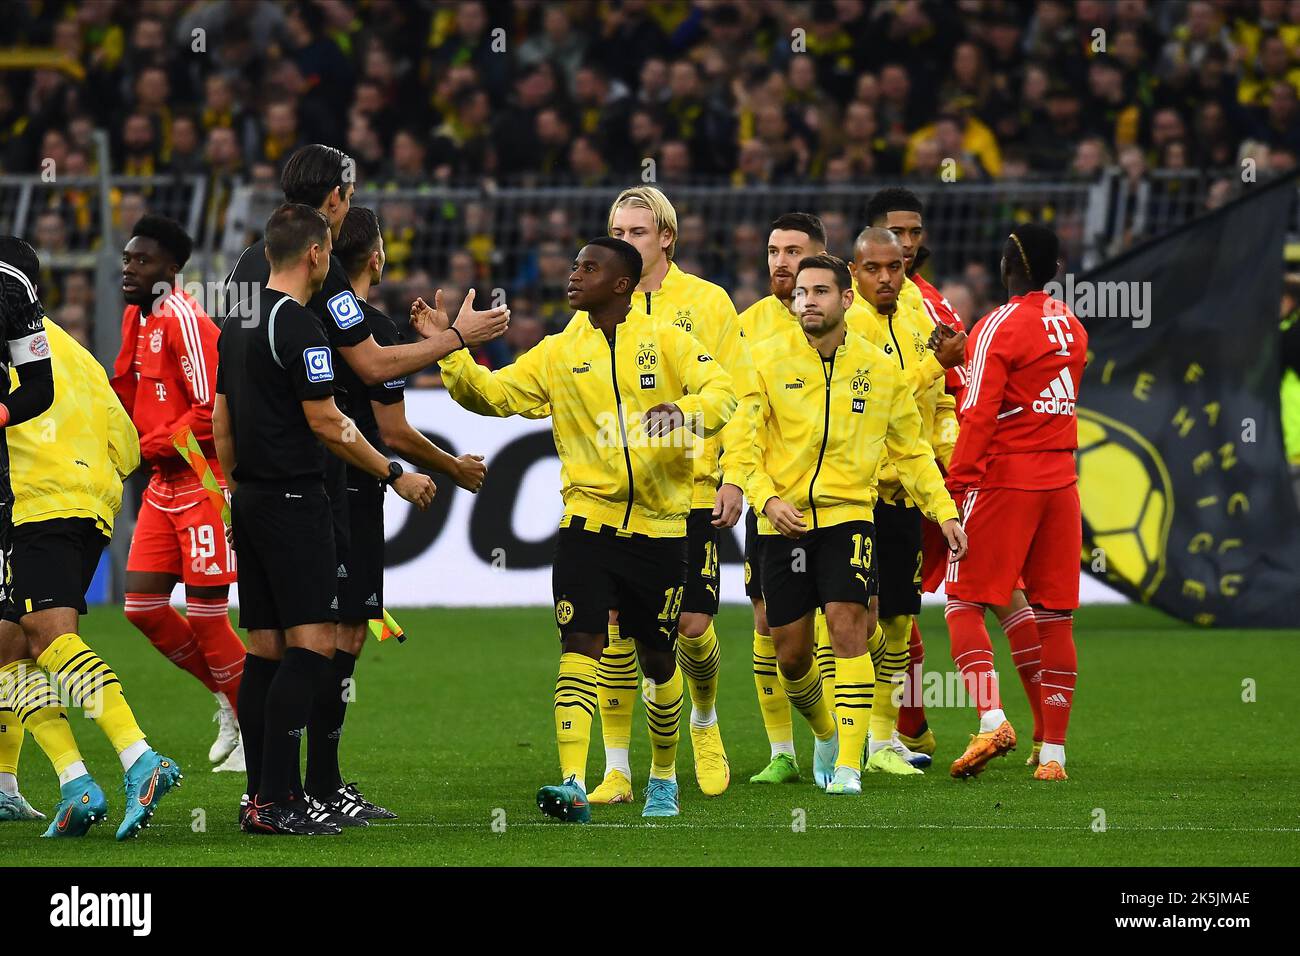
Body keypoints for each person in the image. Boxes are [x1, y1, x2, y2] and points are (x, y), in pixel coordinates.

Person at [223, 144, 507, 821]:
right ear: (337, 200)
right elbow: (372, 369)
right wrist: (456, 339)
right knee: (319, 642)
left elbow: (225, 392)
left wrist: (234, 476)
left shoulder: (248, 265)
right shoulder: (317, 279)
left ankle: (266, 794)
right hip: (315, 478)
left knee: (266, 647)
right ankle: (300, 793)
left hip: (257, 479)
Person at [438, 237, 737, 821]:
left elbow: (724, 393)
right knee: (580, 647)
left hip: (662, 529)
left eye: (589, 267)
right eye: (573, 264)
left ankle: (663, 777)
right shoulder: (557, 352)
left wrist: (686, 412)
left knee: (657, 658)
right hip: (587, 525)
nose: (573, 274)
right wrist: (451, 349)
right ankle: (573, 781)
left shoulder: (669, 341)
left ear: (623, 284)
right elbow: (495, 396)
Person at [214, 203, 436, 835]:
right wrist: (393, 473)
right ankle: (283, 799)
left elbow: (221, 423)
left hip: (251, 500)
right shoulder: (304, 328)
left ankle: (258, 797)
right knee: (311, 652)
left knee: (262, 652)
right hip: (295, 501)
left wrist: (236, 492)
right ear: (315, 254)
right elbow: (329, 423)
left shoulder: (239, 321)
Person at [734, 252, 965, 795]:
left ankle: (848, 768)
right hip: (782, 524)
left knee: (849, 628)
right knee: (790, 654)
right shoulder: (764, 361)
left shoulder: (880, 370)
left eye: (818, 292)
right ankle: (824, 734)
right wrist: (767, 502)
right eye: (800, 294)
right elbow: (740, 447)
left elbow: (911, 452)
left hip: (848, 518)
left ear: (846, 299)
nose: (806, 301)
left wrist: (945, 512)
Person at [0, 237, 181, 840]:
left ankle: (139, 759)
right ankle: (72, 784)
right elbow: (127, 446)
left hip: (30, 506)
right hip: (90, 511)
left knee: (48, 639)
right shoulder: (79, 356)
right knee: (11, 645)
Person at [317, 205, 489, 820]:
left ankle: (285, 784)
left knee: (299, 636)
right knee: (346, 634)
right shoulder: (374, 331)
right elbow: (394, 430)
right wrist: (453, 468)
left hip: (300, 488)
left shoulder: (304, 318)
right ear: (376, 258)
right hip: (356, 489)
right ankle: (324, 782)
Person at [586, 186, 756, 804]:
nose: (625, 242)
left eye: (637, 232)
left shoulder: (707, 303)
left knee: (688, 625)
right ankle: (617, 770)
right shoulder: (599, 301)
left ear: (666, 239)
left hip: (690, 492)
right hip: (619, 496)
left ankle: (705, 721)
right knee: (614, 627)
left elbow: (739, 396)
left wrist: (736, 474)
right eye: (618, 232)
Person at [939, 223, 1086, 781]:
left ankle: (992, 718)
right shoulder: (1072, 326)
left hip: (1005, 481)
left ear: (1008, 266)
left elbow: (979, 414)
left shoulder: (998, 324)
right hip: (1061, 482)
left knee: (963, 601)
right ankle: (1053, 755)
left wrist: (955, 490)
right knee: (1055, 617)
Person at [110, 214, 246, 774]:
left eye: (142, 261)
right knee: (141, 607)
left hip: (203, 478)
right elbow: (125, 387)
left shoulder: (184, 316)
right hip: (163, 484)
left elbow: (214, 407)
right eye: (127, 259)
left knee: (210, 618)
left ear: (171, 269)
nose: (129, 269)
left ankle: (254, 734)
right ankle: (228, 700)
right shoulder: (134, 318)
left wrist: (154, 444)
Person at [848, 218, 964, 772]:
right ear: (854, 273)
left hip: (904, 496)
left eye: (895, 266)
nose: (887, 278)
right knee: (854, 621)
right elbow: (886, 394)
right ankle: (839, 736)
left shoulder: (919, 312)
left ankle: (880, 742)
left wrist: (946, 459)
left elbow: (936, 399)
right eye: (873, 269)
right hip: (856, 495)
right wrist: (932, 364)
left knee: (897, 619)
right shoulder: (848, 326)